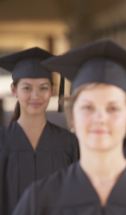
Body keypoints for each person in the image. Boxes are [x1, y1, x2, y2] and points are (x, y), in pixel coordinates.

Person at [13, 40, 126, 215]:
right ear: (71, 116)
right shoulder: (40, 199)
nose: (100, 118)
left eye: (113, 108)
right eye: (88, 107)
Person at [0, 47, 79, 215]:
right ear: (14, 90)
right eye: (27, 88)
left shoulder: (68, 142)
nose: (35, 95)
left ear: (52, 91)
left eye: (43, 88)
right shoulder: (2, 141)